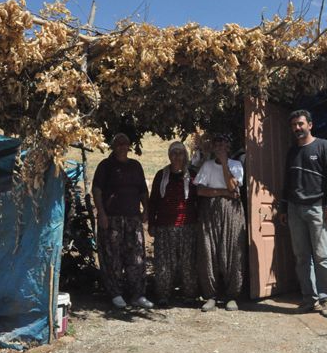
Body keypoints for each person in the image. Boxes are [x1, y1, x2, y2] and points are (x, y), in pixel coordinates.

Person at [278, 110, 327, 318]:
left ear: (310, 125)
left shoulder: (323, 146)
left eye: (300, 124)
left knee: (322, 255)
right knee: (302, 257)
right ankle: (308, 298)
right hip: (295, 210)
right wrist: (284, 207)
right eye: (294, 125)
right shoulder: (291, 152)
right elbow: (287, 183)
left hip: (317, 208)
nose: (297, 128)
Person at [92, 133, 154, 309]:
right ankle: (116, 293)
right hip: (111, 219)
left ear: (129, 146)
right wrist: (101, 214)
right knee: (112, 258)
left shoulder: (135, 166)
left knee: (136, 257)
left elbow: (143, 191)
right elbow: (96, 191)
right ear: (113, 146)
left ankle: (137, 295)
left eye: (125, 143)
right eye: (118, 144)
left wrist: (146, 210)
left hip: (133, 218)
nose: (122, 146)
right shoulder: (105, 166)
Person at [194, 133, 246, 312]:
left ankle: (232, 296)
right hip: (209, 212)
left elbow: (233, 187)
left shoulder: (236, 165)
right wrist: (223, 193)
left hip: (231, 213)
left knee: (232, 251)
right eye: (216, 143)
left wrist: (224, 163)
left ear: (228, 147)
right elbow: (200, 191)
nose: (219, 146)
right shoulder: (207, 166)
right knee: (209, 251)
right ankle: (210, 296)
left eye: (223, 143)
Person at [148, 141, 199, 306]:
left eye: (180, 153)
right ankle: (163, 295)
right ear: (169, 156)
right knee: (164, 262)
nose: (177, 156)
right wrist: (152, 223)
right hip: (164, 226)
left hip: (188, 226)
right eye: (174, 153)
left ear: (185, 155)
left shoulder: (192, 175)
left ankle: (190, 295)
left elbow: (198, 200)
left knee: (188, 261)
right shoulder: (161, 175)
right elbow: (154, 200)